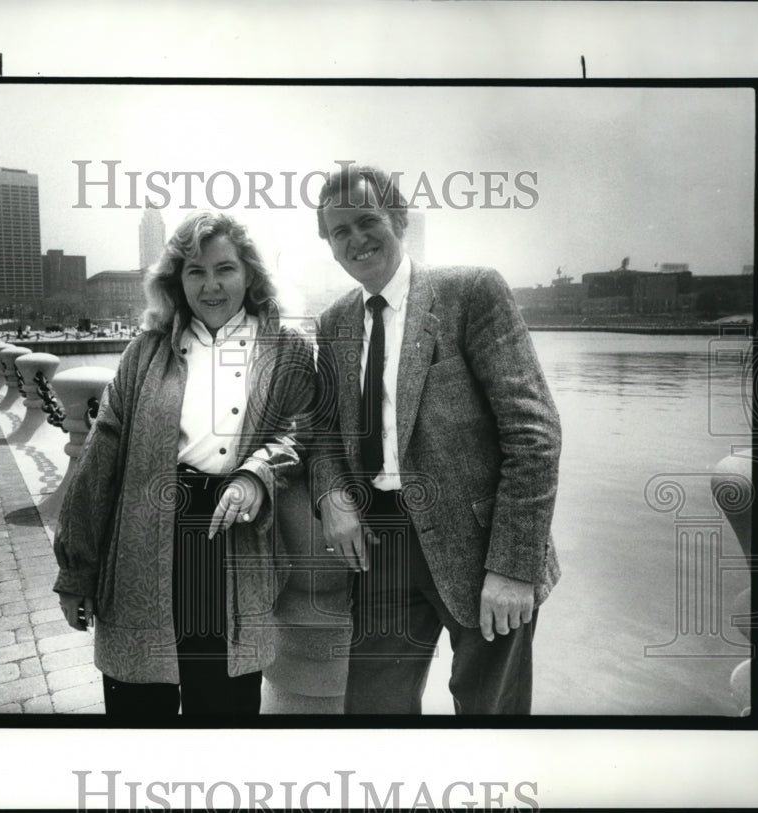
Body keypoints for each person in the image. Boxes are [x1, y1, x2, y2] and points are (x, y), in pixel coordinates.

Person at [309, 164, 561, 715]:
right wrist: (331, 496)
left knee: (489, 716)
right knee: (374, 715)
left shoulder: (470, 292)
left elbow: (534, 435)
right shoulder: (334, 323)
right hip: (381, 549)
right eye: (339, 231)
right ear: (328, 246)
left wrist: (513, 567)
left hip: (481, 548)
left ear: (399, 219)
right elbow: (324, 431)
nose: (356, 239)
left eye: (367, 220)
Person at [53, 211, 314, 719]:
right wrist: (75, 571)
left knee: (223, 708)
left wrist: (257, 475)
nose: (211, 285)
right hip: (141, 545)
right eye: (195, 271)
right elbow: (98, 463)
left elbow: (304, 430)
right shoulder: (146, 351)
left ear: (250, 274)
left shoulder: (287, 349)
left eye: (225, 269)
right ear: (176, 280)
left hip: (231, 539)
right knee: (137, 706)